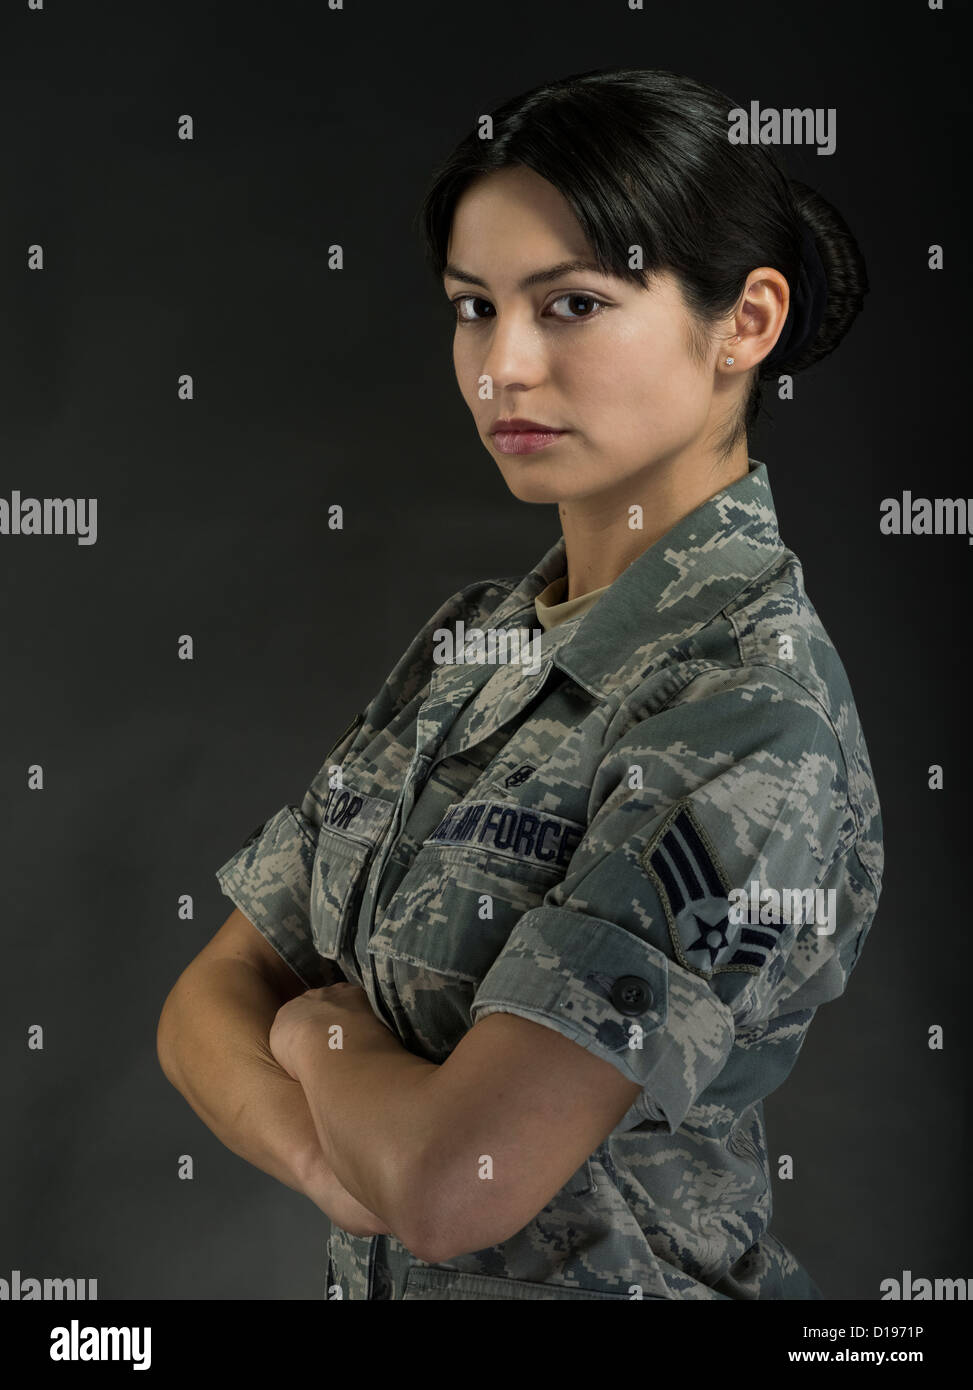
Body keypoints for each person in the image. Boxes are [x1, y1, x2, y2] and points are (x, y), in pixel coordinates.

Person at [157, 66, 883, 1301]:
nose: (503, 366)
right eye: (471, 307)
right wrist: (346, 1167)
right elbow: (203, 997)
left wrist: (312, 1028)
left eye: (573, 304)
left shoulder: (747, 706)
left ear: (744, 323)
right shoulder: (479, 645)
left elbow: (455, 1182)